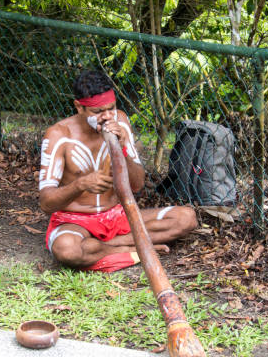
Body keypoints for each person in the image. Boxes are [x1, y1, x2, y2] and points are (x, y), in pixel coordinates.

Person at [39, 70, 197, 272]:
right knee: (67, 250)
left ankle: (111, 249)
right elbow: (46, 203)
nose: (106, 117)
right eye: (97, 112)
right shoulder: (58, 135)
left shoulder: (120, 121)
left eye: (111, 108)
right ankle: (133, 247)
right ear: (79, 107)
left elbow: (137, 184)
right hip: (76, 223)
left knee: (186, 218)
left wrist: (122, 148)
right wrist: (81, 184)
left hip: (117, 218)